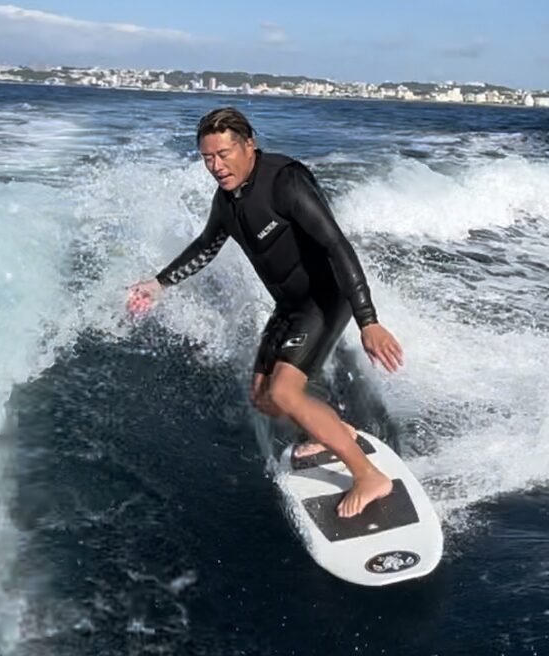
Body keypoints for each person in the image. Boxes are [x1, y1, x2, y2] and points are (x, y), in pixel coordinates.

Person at [126, 107, 403, 517]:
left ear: (249, 145)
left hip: (324, 299)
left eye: (223, 154)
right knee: (264, 398)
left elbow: (336, 246)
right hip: (290, 306)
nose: (216, 166)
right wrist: (158, 283)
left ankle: (368, 476)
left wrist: (368, 320)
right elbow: (206, 246)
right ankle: (335, 431)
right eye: (207, 158)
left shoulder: (285, 181)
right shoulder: (227, 200)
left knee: (283, 391)